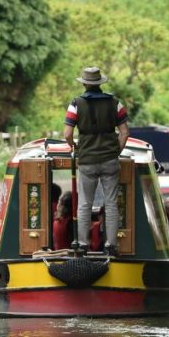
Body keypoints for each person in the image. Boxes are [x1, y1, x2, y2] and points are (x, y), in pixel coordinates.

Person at [63, 66, 129, 256]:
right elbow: (125, 132)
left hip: (87, 160)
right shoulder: (114, 103)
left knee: (84, 203)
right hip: (110, 159)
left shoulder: (76, 104)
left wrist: (75, 147)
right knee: (111, 203)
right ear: (100, 83)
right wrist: (116, 151)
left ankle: (83, 244)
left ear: (84, 84)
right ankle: (111, 245)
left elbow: (67, 134)